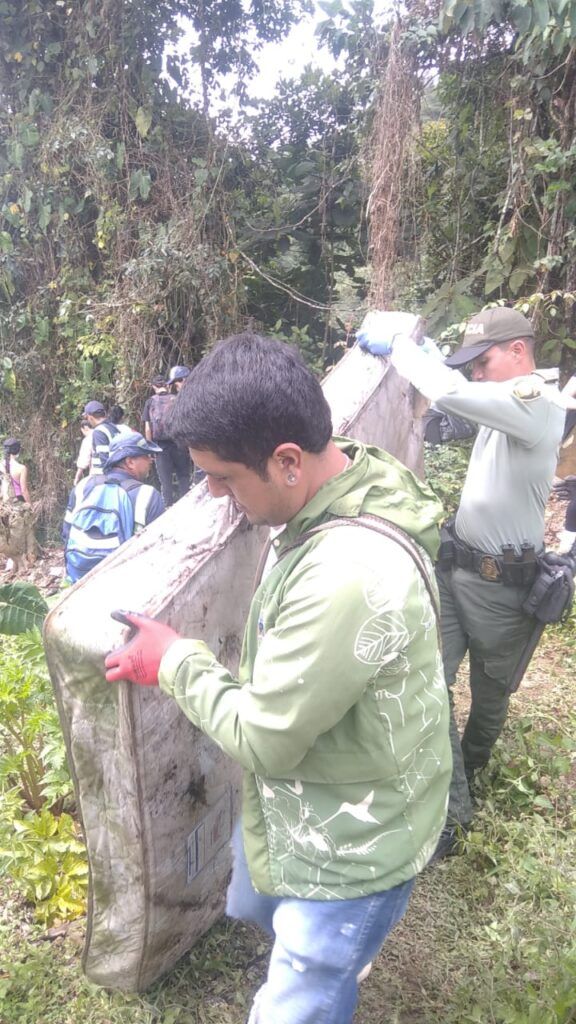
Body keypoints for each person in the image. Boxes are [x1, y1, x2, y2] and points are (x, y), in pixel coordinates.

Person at [104, 333, 451, 1024]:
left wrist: (174, 658)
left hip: (352, 849)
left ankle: (331, 967)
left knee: (301, 996)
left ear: (288, 460)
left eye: (224, 477)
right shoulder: (349, 480)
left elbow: (266, 738)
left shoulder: (345, 573)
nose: (213, 493)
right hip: (326, 800)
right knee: (261, 905)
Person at [358, 306, 566, 857]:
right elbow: (457, 405)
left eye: (484, 361)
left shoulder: (537, 405)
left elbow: (451, 393)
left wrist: (404, 347)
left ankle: (472, 765)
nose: (476, 373)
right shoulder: (506, 408)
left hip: (506, 590)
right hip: (458, 570)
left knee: (491, 695)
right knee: (429, 678)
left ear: (519, 352)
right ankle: (451, 803)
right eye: (469, 365)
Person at [63, 432, 165, 582]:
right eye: (146, 455)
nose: (151, 460)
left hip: (79, 580)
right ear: (130, 462)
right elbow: (157, 552)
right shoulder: (148, 495)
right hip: (123, 585)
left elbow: (66, 534)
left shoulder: (83, 486)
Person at [142, 374, 190, 506]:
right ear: (167, 385)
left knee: (165, 480)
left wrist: (150, 449)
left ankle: (168, 507)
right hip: (178, 442)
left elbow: (147, 428)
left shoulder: (150, 402)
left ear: (153, 387)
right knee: (183, 476)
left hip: (160, 447)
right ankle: (187, 505)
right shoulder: (176, 399)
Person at [83, 400, 119, 474]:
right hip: (117, 471)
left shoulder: (99, 431)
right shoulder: (113, 427)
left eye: (86, 418)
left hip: (103, 476)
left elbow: (104, 458)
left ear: (90, 417)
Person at [1, 438, 31, 503]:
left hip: (4, 504)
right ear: (18, 450)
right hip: (18, 502)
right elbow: (24, 490)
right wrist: (30, 505)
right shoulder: (21, 468)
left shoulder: (1, 465)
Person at [74, 420, 94, 486]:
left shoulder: (88, 439)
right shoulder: (102, 434)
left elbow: (83, 461)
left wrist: (77, 478)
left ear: (85, 428)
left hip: (96, 474)